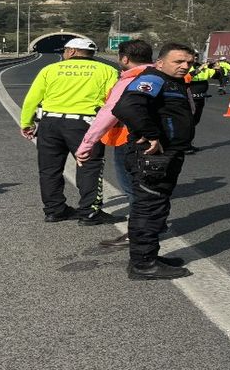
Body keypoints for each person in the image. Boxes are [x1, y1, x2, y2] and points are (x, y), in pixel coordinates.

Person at [111, 42, 198, 280]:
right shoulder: (154, 78)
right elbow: (127, 106)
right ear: (160, 62)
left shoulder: (173, 82)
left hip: (167, 154)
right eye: (178, 61)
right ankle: (142, 264)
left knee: (157, 206)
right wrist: (150, 134)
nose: (185, 66)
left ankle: (149, 255)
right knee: (148, 208)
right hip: (153, 155)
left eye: (189, 62)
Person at [19, 37, 121, 225]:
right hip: (85, 125)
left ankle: (54, 210)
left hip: (50, 124)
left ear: (72, 51)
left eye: (64, 50)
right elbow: (112, 101)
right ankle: (89, 212)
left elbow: (32, 98)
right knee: (89, 166)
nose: (63, 53)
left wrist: (27, 123)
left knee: (49, 169)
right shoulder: (107, 70)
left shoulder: (50, 69)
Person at [74, 39, 153, 247]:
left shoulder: (128, 81)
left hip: (129, 140)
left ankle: (138, 233)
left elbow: (109, 113)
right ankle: (151, 226)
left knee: (133, 189)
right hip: (160, 141)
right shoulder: (164, 77)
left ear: (124, 58)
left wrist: (87, 144)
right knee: (152, 188)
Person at [183, 51, 227, 154]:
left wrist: (218, 68)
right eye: (193, 56)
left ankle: (188, 143)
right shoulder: (185, 67)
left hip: (201, 98)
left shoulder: (203, 67)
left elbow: (218, 76)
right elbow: (185, 78)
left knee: (195, 122)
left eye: (197, 56)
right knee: (188, 122)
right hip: (189, 98)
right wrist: (198, 70)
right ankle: (184, 146)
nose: (195, 58)